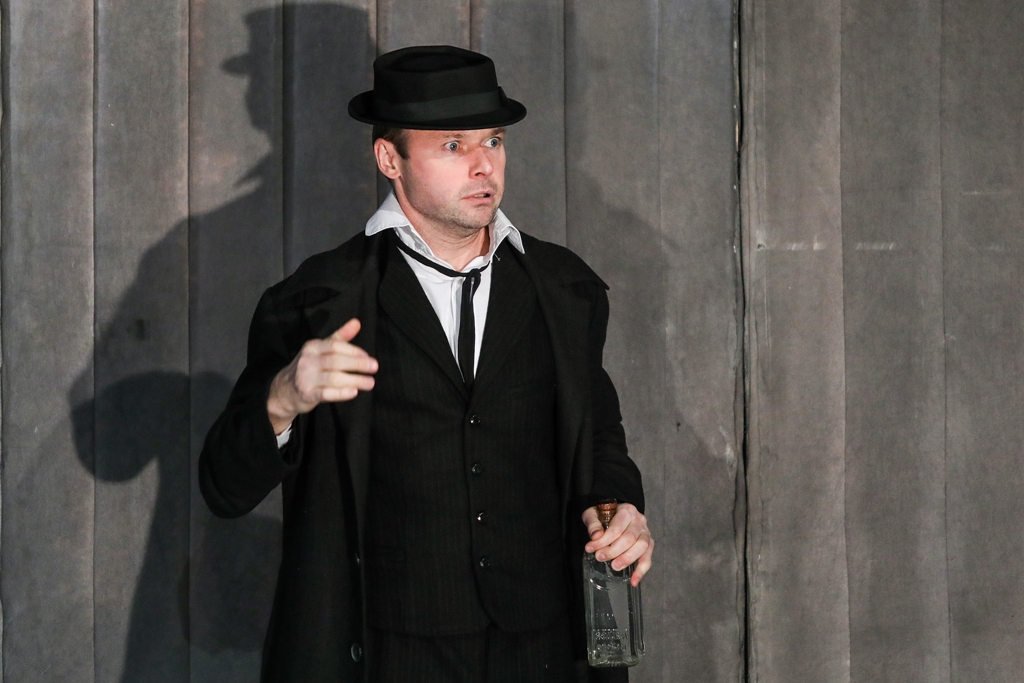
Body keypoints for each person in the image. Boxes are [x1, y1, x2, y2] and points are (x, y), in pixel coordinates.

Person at [199, 45, 653, 683]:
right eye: (452, 146)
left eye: (493, 141)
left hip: (544, 645)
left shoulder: (563, 289)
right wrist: (281, 400)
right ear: (390, 159)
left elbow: (597, 436)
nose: (483, 165)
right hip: (390, 651)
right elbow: (223, 487)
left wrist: (620, 507)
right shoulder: (317, 300)